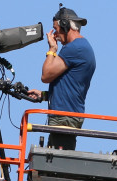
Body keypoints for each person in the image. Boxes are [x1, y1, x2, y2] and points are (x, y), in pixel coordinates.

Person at [27, 6, 96, 151]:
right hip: (67, 116)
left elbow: (46, 76)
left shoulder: (74, 48)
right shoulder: (82, 47)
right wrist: (45, 95)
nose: (54, 34)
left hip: (63, 117)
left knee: (56, 167)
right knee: (54, 164)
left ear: (65, 25)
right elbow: (70, 86)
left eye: (55, 28)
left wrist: (52, 49)